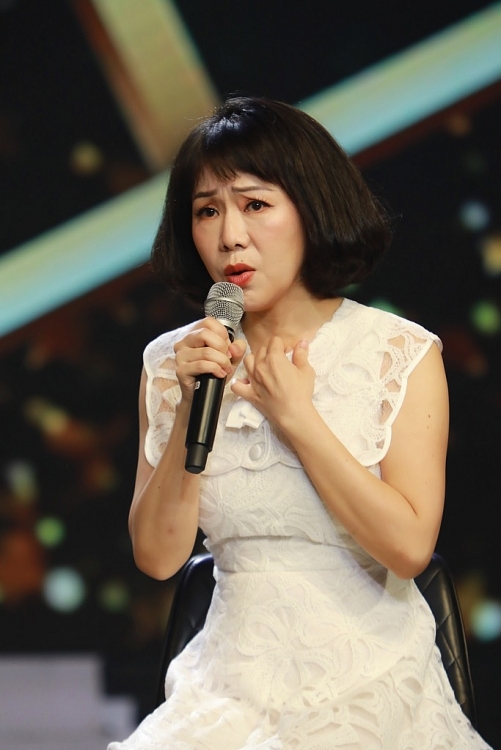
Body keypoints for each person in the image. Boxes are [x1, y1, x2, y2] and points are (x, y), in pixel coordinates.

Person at [108, 96, 492, 749]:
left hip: (371, 688)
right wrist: (191, 405)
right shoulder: (174, 362)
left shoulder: (398, 352)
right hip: (226, 693)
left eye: (255, 204)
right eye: (207, 211)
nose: (231, 236)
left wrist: (297, 418)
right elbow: (158, 556)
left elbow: (407, 550)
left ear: (310, 208)